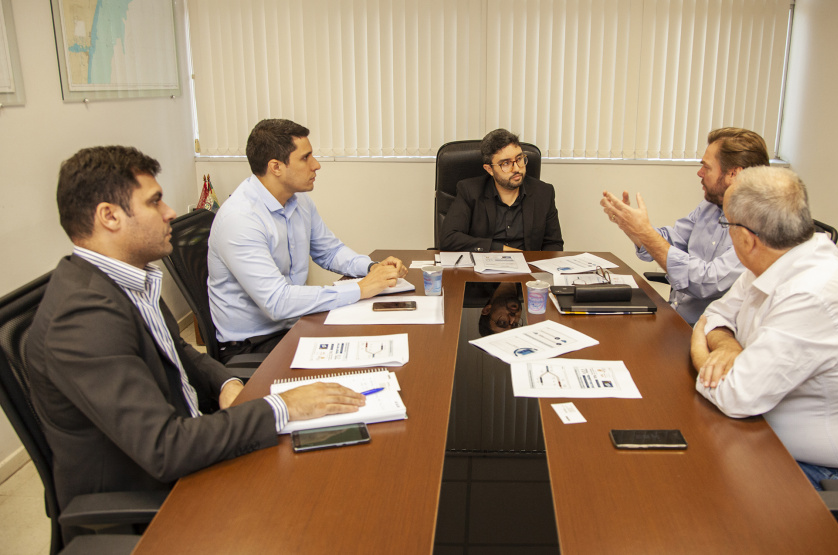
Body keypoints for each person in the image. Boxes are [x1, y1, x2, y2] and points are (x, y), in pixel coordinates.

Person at [26, 146, 367, 512]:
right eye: (155, 202)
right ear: (109, 216)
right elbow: (164, 448)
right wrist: (281, 407)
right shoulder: (83, 319)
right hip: (159, 498)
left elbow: (179, 351)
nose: (170, 212)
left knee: (337, 458)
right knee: (326, 500)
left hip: (194, 448)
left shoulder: (128, 279)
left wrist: (226, 382)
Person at [690, 166, 838, 490]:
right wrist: (728, 347)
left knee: (697, 485)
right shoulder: (776, 258)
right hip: (766, 437)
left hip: (831, 477)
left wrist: (700, 349)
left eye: (725, 223)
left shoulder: (813, 292)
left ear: (746, 238)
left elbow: (734, 395)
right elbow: (717, 313)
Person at [208, 119, 407, 362]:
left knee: (378, 339)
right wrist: (359, 288)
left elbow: (330, 251)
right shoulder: (240, 219)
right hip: (254, 345)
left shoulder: (298, 201)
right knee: (359, 361)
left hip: (295, 323)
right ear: (276, 167)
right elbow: (277, 302)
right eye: (306, 158)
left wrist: (371, 268)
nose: (317, 165)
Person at [600, 128, 769, 324]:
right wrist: (630, 225)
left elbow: (707, 282)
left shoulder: (761, 225)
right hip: (675, 317)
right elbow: (670, 242)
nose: (699, 172)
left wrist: (644, 231)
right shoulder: (709, 206)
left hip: (709, 334)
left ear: (733, 173)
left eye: (706, 167)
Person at [440, 128, 564, 252]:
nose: (516, 168)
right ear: (489, 169)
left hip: (528, 267)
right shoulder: (470, 191)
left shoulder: (543, 193)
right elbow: (448, 238)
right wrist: (501, 249)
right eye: (506, 163)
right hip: (483, 266)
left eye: (519, 159)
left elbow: (554, 244)